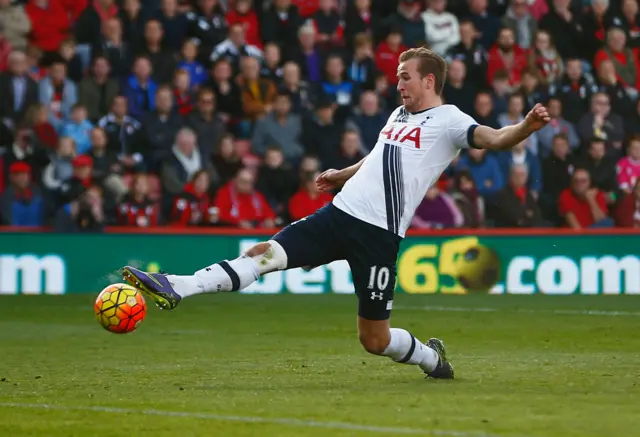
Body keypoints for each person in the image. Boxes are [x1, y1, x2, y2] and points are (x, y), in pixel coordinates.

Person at [119, 47, 550, 380]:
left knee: (374, 339)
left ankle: (428, 356)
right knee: (264, 253)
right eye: (398, 76)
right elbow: (381, 154)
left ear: (429, 80)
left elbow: (493, 138)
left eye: (405, 77)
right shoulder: (400, 113)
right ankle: (177, 285)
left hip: (378, 237)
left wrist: (525, 127)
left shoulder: (450, 120)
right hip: (338, 215)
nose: (398, 83)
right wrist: (342, 174)